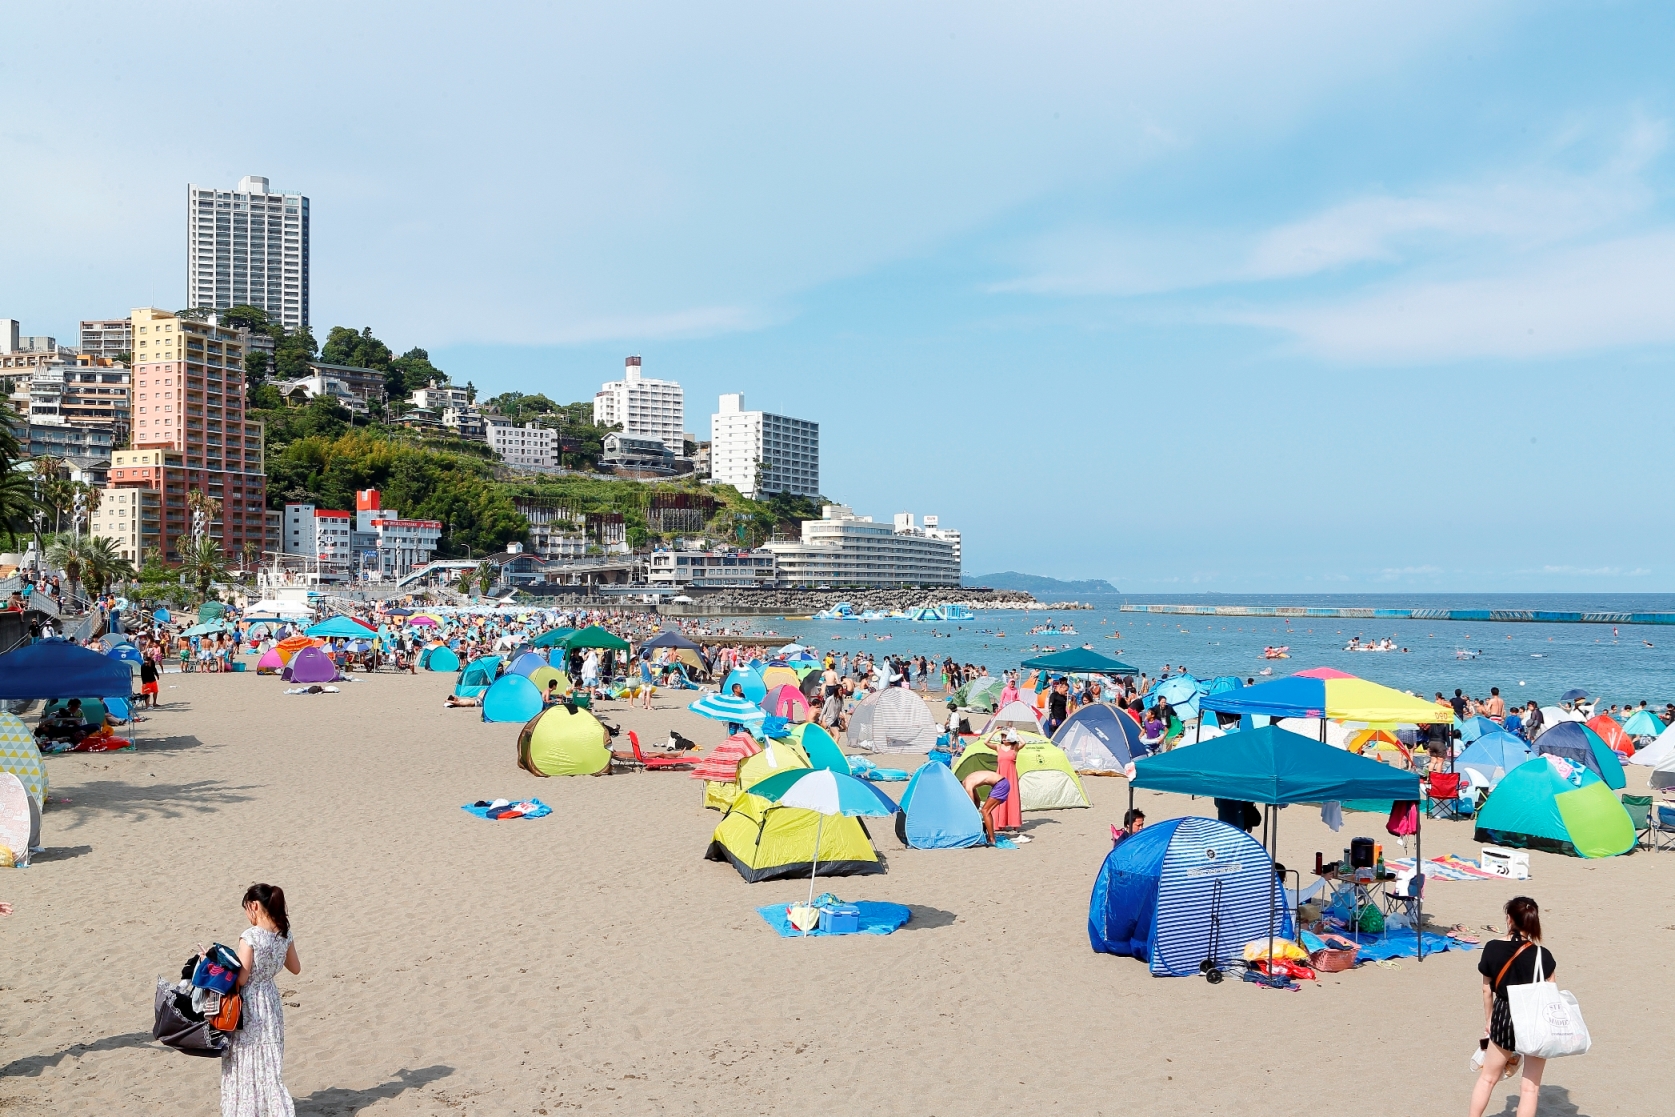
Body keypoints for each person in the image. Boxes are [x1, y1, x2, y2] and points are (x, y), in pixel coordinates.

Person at [1469, 896, 1556, 1117]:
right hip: (1534, 1018)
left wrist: (1489, 1019)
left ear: (1509, 919)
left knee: (1487, 1078)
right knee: (1530, 1088)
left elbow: (1486, 990)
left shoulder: (1492, 948)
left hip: (1504, 1015)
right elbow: (1551, 992)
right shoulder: (1543, 955)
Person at [223, 883, 301, 1117]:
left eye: (247, 908)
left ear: (254, 906)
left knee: (245, 1057)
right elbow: (295, 968)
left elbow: (242, 978)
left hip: (250, 1004)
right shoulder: (283, 934)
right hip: (271, 1000)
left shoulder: (250, 937)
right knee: (269, 1058)